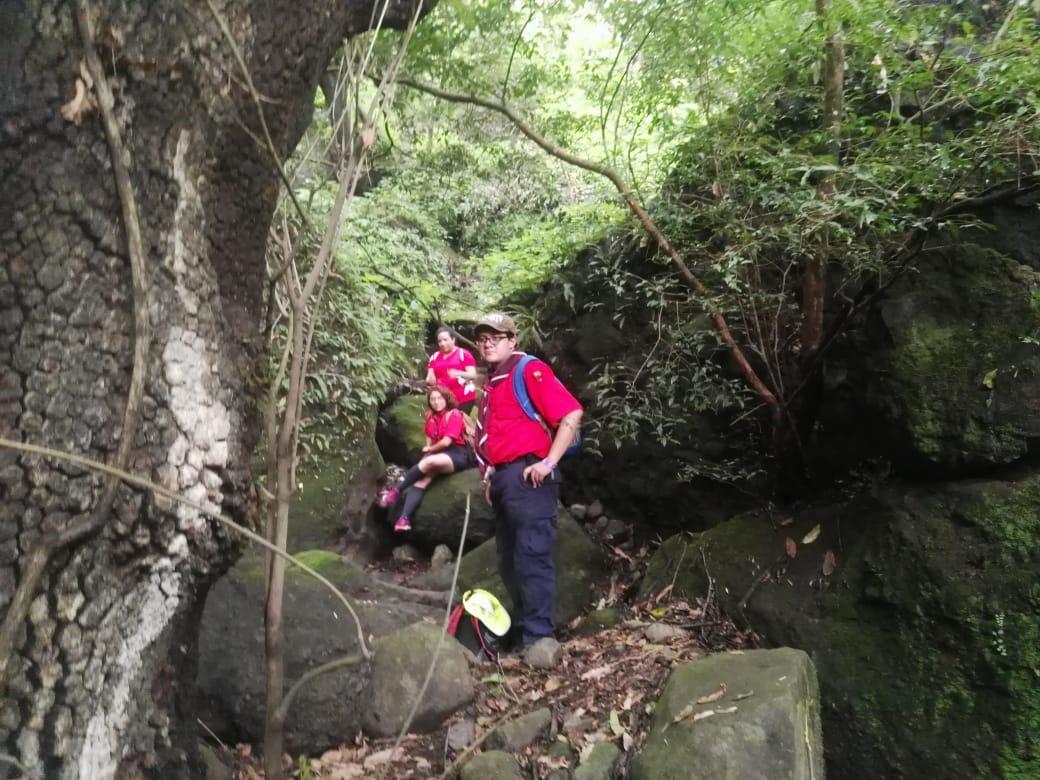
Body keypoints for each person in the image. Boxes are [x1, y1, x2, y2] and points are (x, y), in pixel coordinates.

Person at [472, 312, 583, 649]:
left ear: (512, 341)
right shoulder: (493, 384)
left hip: (531, 477)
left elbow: (571, 413)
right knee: (508, 560)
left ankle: (539, 637)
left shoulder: (528, 369)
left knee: (531, 556)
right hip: (505, 479)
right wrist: (491, 476)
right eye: (482, 338)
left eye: (496, 336)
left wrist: (549, 462)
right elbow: (495, 437)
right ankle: (522, 630)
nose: (488, 342)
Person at [379, 385, 475, 532]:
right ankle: (403, 519)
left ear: (446, 399)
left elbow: (446, 442)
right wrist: (428, 451)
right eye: (433, 399)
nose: (436, 402)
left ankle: (396, 491)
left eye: (439, 398)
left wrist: (429, 451)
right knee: (421, 480)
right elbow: (429, 441)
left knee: (429, 462)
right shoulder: (430, 418)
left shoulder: (454, 414)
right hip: (439, 454)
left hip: (458, 453)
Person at [426, 326, 478, 414]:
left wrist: (458, 373)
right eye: (440, 341)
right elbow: (430, 379)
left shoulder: (464, 354)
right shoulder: (434, 357)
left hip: (463, 398)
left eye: (445, 340)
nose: (442, 343)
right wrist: (429, 380)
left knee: (458, 424)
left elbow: (473, 375)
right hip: (443, 399)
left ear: (453, 339)